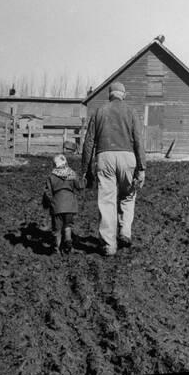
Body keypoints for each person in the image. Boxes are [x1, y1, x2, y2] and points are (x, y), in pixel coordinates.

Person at [82, 82, 146, 256]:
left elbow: (88, 143)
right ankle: (125, 231)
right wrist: (142, 168)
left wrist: (86, 169)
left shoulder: (99, 112)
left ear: (109, 95)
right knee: (128, 195)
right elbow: (139, 141)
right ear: (123, 95)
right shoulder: (132, 112)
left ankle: (109, 245)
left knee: (107, 200)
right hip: (127, 157)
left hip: (105, 157)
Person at [42, 154, 86, 254]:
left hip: (57, 205)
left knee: (56, 229)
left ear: (55, 164)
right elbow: (80, 186)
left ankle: (56, 248)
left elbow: (47, 192)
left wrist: (48, 203)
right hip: (70, 205)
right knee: (68, 225)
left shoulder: (51, 176)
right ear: (65, 163)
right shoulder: (71, 174)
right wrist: (84, 179)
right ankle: (68, 243)